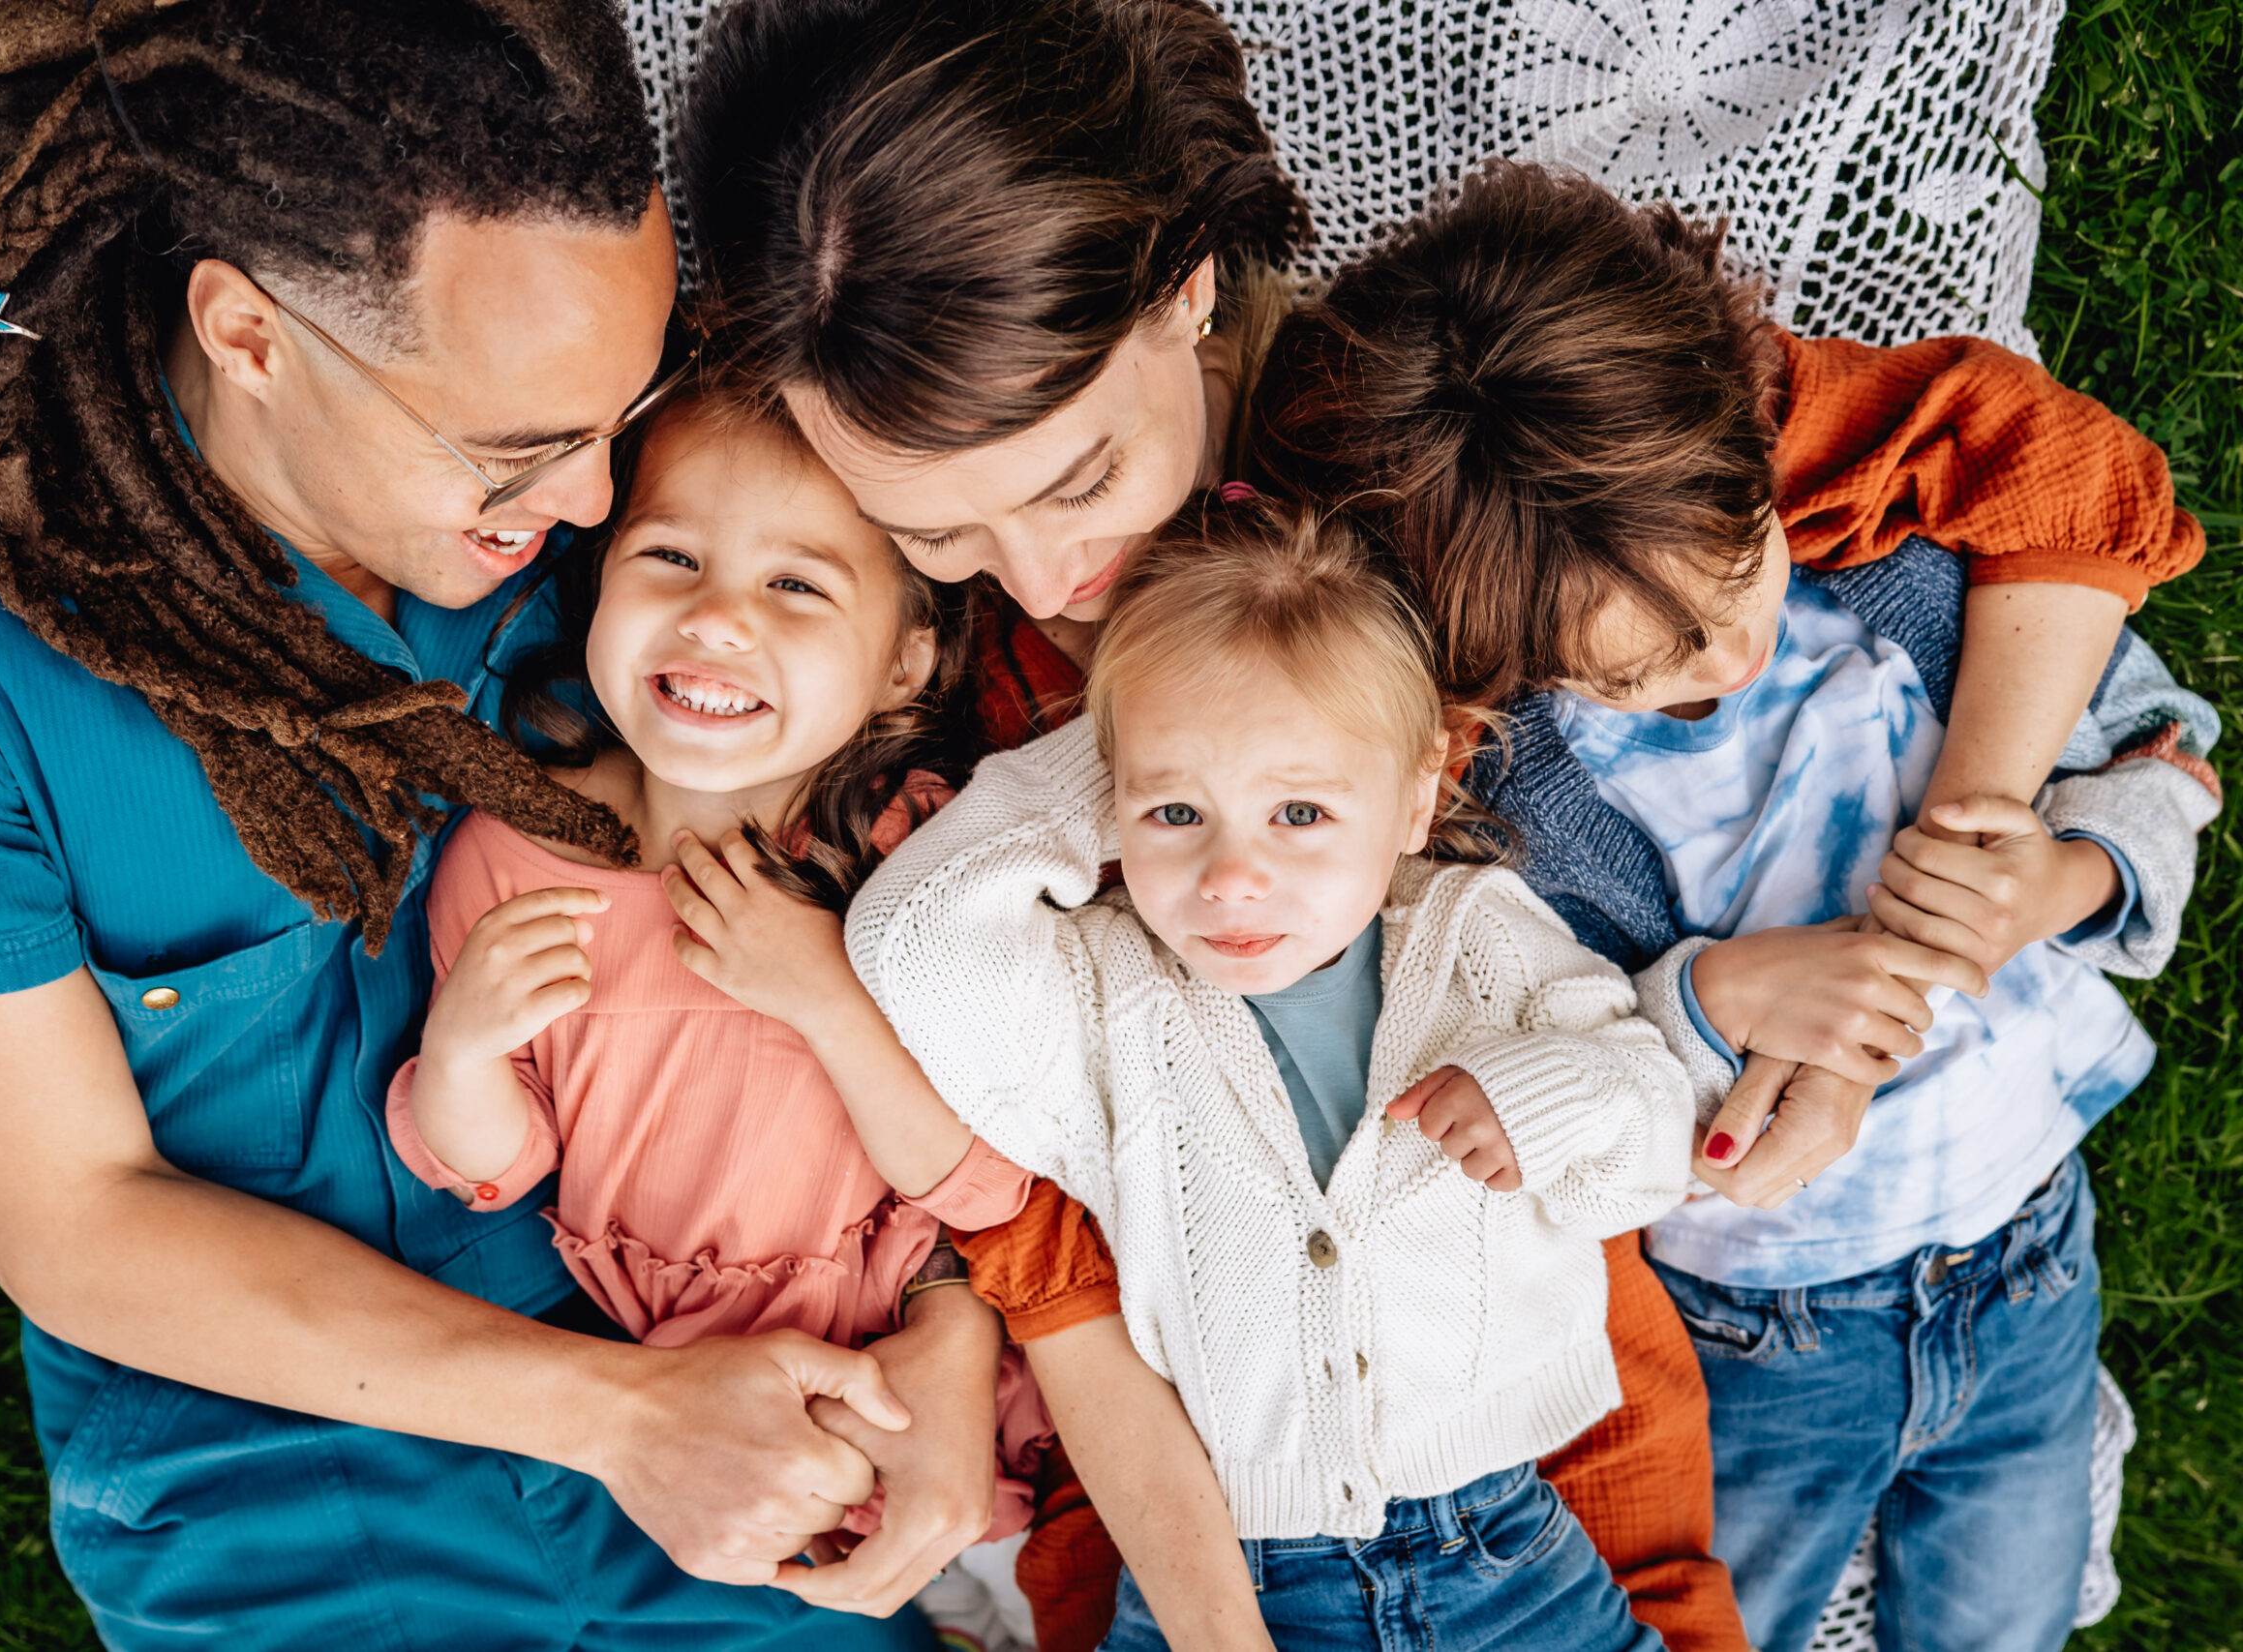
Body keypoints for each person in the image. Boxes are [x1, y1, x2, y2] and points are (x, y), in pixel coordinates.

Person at [681, 4, 2187, 1646]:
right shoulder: (999, 702)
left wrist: (1947, 879)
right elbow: (1050, 1181)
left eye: (1075, 481)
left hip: (1569, 1347)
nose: (1046, 586)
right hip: (1226, 1414)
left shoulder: (1449, 454)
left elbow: (2041, 473)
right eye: (942, 533)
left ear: (1188, 291)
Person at [0, 4, 1003, 1645]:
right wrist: (624, 1419)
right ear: (250, 331)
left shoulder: (601, 440)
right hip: (284, 1475)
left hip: (751, 1356)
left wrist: (960, 1324)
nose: (587, 509)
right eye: (519, 456)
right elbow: (74, 1221)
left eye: (616, 430)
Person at [1252, 162, 2219, 1651]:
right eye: (1641, 671)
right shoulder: (1516, 804)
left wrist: (2065, 874)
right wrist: (1707, 1000)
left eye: (1741, 571)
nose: (1727, 659)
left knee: (2006, 1616)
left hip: (2030, 1237)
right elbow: (1549, 1054)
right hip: (1767, 1321)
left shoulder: (1904, 573)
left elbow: (2161, 745)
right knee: (1728, 1620)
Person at [847, 492, 1694, 1650]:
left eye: (1298, 810)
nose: (1231, 876)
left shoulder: (1479, 942)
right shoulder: (1102, 992)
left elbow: (1647, 1142)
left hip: (1500, 1558)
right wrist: (1130, 751)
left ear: (1416, 797)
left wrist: (1553, 1095)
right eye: (1177, 812)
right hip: (1226, 1574)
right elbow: (912, 939)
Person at [386, 383, 1056, 1634]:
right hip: (694, 1405)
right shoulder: (517, 857)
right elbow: (497, 1159)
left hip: (939, 1358)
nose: (717, 619)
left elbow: (988, 1187)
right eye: (673, 557)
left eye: (798, 587)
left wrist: (819, 988)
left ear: (906, 655)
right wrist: (461, 1047)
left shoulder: (911, 855)